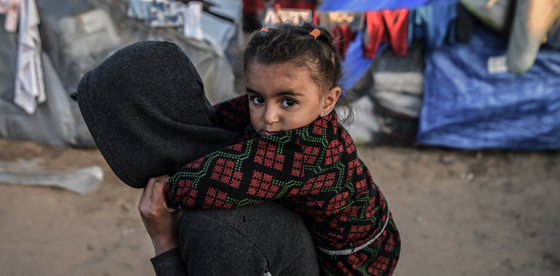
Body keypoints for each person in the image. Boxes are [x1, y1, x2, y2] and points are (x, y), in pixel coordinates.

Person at [159, 23, 401, 276]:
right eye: (258, 99)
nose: (269, 116)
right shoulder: (293, 115)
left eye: (288, 102)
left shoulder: (304, 152)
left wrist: (167, 189)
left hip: (358, 260)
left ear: (328, 101)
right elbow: (223, 115)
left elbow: (212, 183)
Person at [73, 40, 320, 276]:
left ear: (140, 130)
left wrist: (164, 244)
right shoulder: (241, 160)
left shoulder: (215, 223)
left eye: (106, 131)